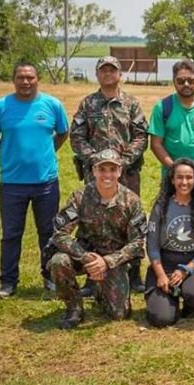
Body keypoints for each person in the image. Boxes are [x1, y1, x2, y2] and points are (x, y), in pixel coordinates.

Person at [0, 62, 69, 298]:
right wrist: (8, 152)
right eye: (20, 77)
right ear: (14, 80)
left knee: (48, 233)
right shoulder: (0, 107)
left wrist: (47, 152)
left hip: (46, 183)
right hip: (12, 184)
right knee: (11, 234)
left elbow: (63, 133)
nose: (25, 81)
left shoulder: (52, 105)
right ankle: (8, 283)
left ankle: (50, 279)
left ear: (38, 79)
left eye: (30, 77)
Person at [70, 55, 148, 292]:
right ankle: (92, 276)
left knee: (131, 223)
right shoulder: (88, 104)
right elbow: (76, 136)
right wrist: (96, 160)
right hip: (96, 175)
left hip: (127, 173)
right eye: (103, 70)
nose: (108, 74)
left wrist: (122, 162)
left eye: (112, 70)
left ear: (119, 74)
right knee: (92, 224)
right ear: (97, 75)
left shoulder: (131, 104)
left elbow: (141, 136)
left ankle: (133, 274)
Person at [48, 149, 147, 329]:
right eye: (102, 169)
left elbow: (137, 242)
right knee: (58, 261)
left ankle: (101, 290)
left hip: (114, 259)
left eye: (112, 169)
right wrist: (87, 258)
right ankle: (74, 307)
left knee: (119, 314)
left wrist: (107, 262)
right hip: (85, 255)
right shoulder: (79, 197)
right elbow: (60, 233)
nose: (107, 174)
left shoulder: (131, 200)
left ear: (120, 171)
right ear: (93, 171)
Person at [144, 158, 194, 327]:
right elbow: (152, 244)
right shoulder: (161, 206)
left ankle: (190, 301)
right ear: (172, 179)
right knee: (162, 319)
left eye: (189, 177)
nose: (184, 182)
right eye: (179, 177)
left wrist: (187, 270)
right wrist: (161, 274)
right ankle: (170, 299)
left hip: (193, 264)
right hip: (166, 263)